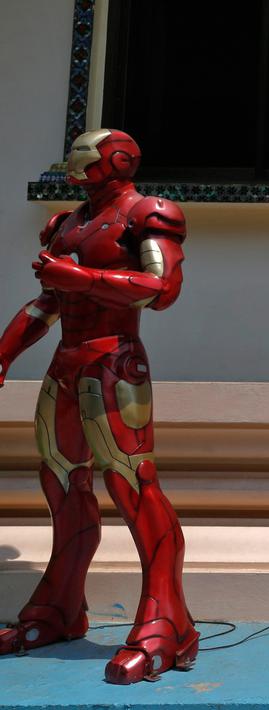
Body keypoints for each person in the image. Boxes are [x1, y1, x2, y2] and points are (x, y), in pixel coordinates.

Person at [0, 129, 199, 682]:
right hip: (67, 363)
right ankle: (59, 609)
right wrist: (4, 353)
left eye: (86, 160)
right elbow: (48, 303)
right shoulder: (66, 223)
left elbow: (161, 288)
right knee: (62, 481)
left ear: (117, 161)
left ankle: (167, 623)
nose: (76, 169)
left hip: (114, 361)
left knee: (133, 484)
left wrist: (81, 277)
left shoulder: (149, 213)